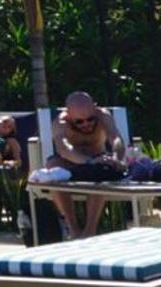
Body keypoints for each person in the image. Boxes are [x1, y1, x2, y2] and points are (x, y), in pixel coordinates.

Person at [46, 92, 127, 239]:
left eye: (90, 119)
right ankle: (73, 229)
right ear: (68, 114)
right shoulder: (60, 123)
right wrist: (87, 161)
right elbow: (63, 149)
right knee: (53, 165)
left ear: (95, 108)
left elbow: (115, 138)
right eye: (79, 121)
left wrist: (116, 158)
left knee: (99, 172)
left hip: (97, 162)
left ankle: (90, 230)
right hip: (73, 163)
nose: (86, 124)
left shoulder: (103, 116)